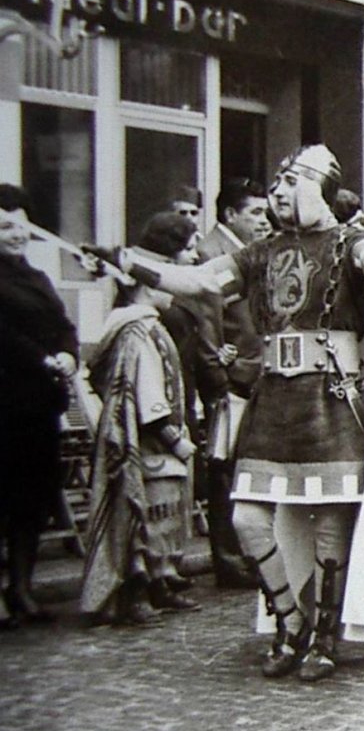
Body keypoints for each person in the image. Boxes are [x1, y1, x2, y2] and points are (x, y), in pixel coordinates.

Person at [120, 145, 364, 680]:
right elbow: (203, 281)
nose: (279, 192)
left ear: (322, 187)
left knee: (330, 524)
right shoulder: (262, 250)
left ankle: (324, 637)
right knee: (246, 517)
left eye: (292, 181)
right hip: (273, 399)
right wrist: (131, 263)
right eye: (278, 182)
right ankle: (290, 620)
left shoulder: (351, 240)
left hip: (329, 399)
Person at [81, 212, 202, 625]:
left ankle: (157, 583)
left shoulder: (149, 325)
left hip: (154, 445)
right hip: (147, 445)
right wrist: (173, 437)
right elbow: (148, 392)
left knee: (160, 519)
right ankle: (135, 591)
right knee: (142, 517)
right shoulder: (136, 331)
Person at [0, 185, 78, 626]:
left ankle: (21, 588)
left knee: (32, 498)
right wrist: (43, 359)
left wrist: (68, 354)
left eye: (21, 226)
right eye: (4, 227)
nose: (16, 235)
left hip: (39, 407)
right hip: (6, 403)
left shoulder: (37, 278)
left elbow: (63, 325)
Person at [193, 178, 271, 588]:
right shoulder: (210, 254)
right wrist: (219, 377)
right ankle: (229, 559)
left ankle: (246, 553)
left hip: (252, 374)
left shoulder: (249, 250)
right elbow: (205, 323)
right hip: (229, 381)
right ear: (230, 214)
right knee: (223, 470)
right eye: (255, 213)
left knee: (243, 469)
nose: (264, 220)